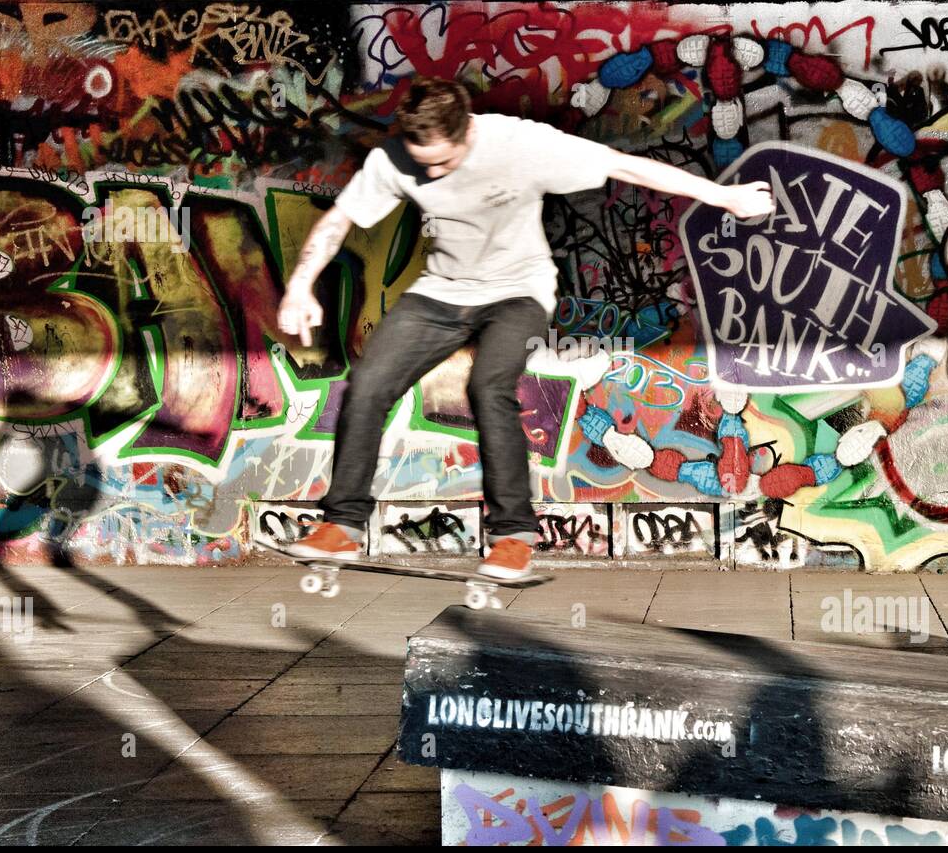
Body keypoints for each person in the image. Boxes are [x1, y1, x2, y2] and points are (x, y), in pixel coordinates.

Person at [276, 76, 774, 581]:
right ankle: (342, 526)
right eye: (423, 164)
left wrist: (722, 196)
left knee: (488, 386)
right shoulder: (395, 158)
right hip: (442, 292)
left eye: (445, 162)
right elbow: (340, 218)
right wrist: (300, 284)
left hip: (518, 292)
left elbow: (622, 164)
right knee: (367, 384)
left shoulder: (521, 144)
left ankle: (512, 536)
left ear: (467, 130)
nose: (433, 175)